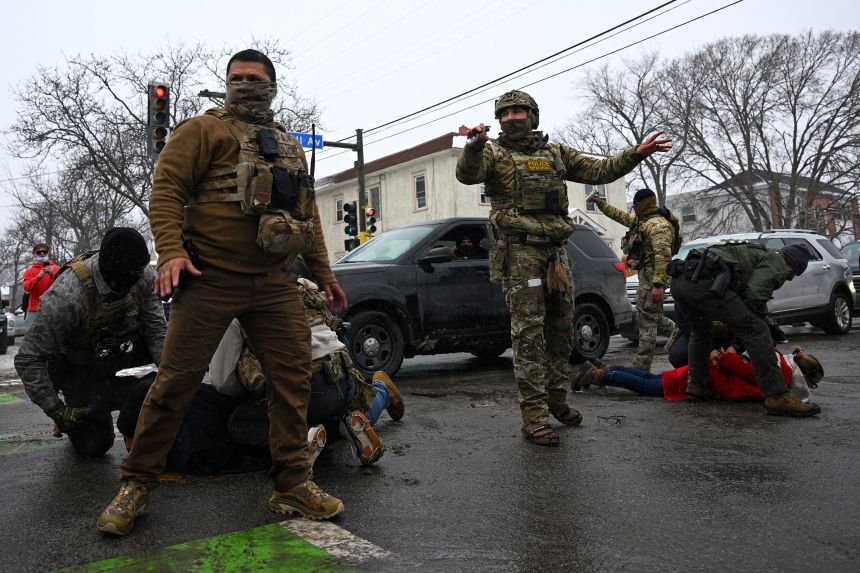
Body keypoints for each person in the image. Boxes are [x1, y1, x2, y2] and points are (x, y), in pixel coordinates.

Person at [98, 49, 349, 536]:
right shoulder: (201, 130)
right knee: (174, 383)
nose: (245, 85)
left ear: (272, 86)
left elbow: (309, 218)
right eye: (236, 78)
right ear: (226, 83)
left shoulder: (290, 146)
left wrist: (327, 276)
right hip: (210, 279)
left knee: (292, 381)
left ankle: (292, 482)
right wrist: (171, 251)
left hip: (274, 284)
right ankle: (136, 484)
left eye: (254, 78)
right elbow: (166, 188)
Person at [456, 89, 671, 446]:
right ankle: (535, 416)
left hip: (556, 252)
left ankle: (557, 401)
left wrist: (636, 153)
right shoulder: (493, 153)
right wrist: (474, 147)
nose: (511, 118)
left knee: (561, 331)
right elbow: (468, 174)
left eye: (518, 111)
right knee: (528, 334)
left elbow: (600, 169)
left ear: (532, 115)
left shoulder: (555, 153)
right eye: (504, 114)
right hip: (521, 252)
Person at [209, 277, 405, 466]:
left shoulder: (231, 303)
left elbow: (223, 382)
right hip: (342, 373)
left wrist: (250, 387)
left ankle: (303, 441)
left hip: (304, 388)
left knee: (241, 423)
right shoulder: (292, 283)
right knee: (354, 409)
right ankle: (369, 402)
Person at [15, 228, 166, 456]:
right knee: (93, 445)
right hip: (82, 364)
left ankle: (139, 394)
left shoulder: (143, 275)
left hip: (122, 349)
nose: (144, 274)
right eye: (138, 271)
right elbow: (29, 359)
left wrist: (171, 377)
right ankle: (86, 402)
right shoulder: (65, 298)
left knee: (169, 370)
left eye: (144, 268)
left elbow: (156, 329)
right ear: (119, 272)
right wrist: (57, 411)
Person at [668, 240, 820, 416]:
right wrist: (762, 320)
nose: (788, 278)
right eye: (791, 275)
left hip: (680, 280)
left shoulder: (757, 254)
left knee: (700, 330)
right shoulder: (776, 260)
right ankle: (777, 396)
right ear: (792, 265)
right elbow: (754, 295)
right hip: (703, 281)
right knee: (757, 330)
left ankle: (697, 386)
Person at [588, 188, 680, 372]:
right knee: (652, 316)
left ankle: (642, 365)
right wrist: (599, 203)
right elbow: (620, 215)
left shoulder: (657, 225)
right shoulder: (642, 221)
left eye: (636, 205)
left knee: (646, 320)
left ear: (642, 204)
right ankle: (684, 333)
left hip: (654, 277)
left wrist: (658, 285)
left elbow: (663, 256)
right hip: (647, 275)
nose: (634, 208)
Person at [574, 346, 823, 404]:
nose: (811, 388)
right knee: (648, 386)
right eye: (812, 384)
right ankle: (600, 375)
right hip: (709, 379)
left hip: (706, 373)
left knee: (652, 379)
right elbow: (738, 367)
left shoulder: (777, 359)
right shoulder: (777, 377)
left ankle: (608, 370)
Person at [22, 242, 60, 328]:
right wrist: (38, 277)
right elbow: (26, 287)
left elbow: (62, 287)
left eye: (45, 251)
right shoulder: (29, 271)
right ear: (34, 254)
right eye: (39, 252)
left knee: (55, 335)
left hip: (54, 308)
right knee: (31, 335)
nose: (42, 254)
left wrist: (52, 274)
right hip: (34, 310)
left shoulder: (57, 268)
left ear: (48, 253)